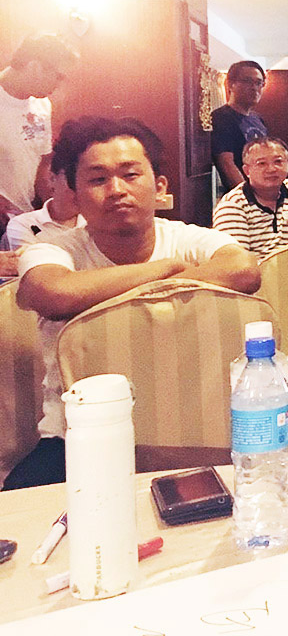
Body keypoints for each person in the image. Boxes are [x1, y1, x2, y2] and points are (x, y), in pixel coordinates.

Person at [6, 116, 259, 490]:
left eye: (130, 175)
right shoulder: (53, 249)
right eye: (98, 179)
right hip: (75, 438)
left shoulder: (188, 239)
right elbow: (53, 292)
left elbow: (244, 269)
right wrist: (165, 269)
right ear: (74, 195)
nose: (116, 190)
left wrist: (132, 285)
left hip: (189, 436)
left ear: (159, 187)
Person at [0, 33, 78, 235]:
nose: (59, 84)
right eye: (58, 76)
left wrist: (52, 207)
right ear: (35, 67)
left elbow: (42, 163)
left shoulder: (42, 105)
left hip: (23, 216)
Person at [210, 60, 269, 190]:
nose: (254, 87)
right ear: (230, 84)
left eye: (259, 83)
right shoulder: (221, 117)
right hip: (243, 196)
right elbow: (226, 164)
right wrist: (248, 196)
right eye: (247, 81)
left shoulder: (258, 119)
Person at [4, 160, 82, 252]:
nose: (81, 190)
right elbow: (33, 259)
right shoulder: (24, 223)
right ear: (52, 179)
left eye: (92, 182)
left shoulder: (94, 221)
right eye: (72, 181)